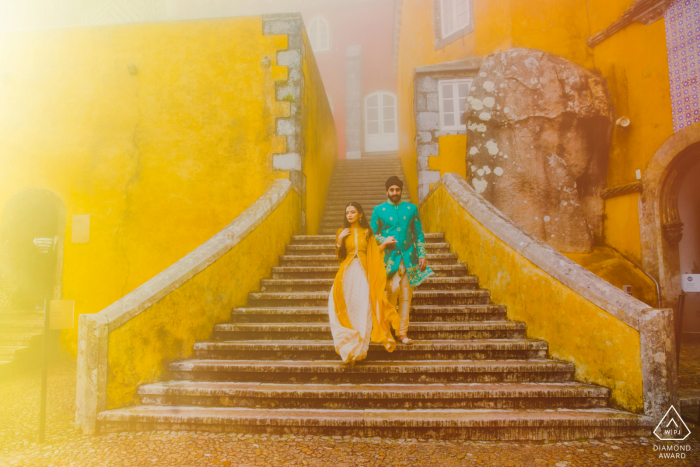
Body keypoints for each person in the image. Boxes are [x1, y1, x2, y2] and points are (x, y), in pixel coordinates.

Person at [328, 202, 401, 364]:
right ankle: (348, 347)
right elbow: (340, 256)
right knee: (344, 305)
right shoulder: (342, 232)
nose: (349, 215)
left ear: (360, 214)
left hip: (363, 274)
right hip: (346, 274)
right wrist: (339, 240)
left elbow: (373, 253)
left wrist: (384, 243)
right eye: (347, 212)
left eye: (353, 212)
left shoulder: (368, 232)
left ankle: (359, 349)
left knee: (363, 308)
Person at [371, 176, 434, 345]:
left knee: (406, 296)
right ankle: (389, 330)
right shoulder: (378, 210)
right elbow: (371, 235)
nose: (394, 192)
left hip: (409, 258)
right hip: (389, 259)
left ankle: (402, 333)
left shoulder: (411, 209)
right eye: (391, 190)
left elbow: (418, 233)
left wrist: (422, 254)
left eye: (397, 189)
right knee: (392, 293)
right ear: (387, 191)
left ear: (401, 190)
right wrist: (384, 240)